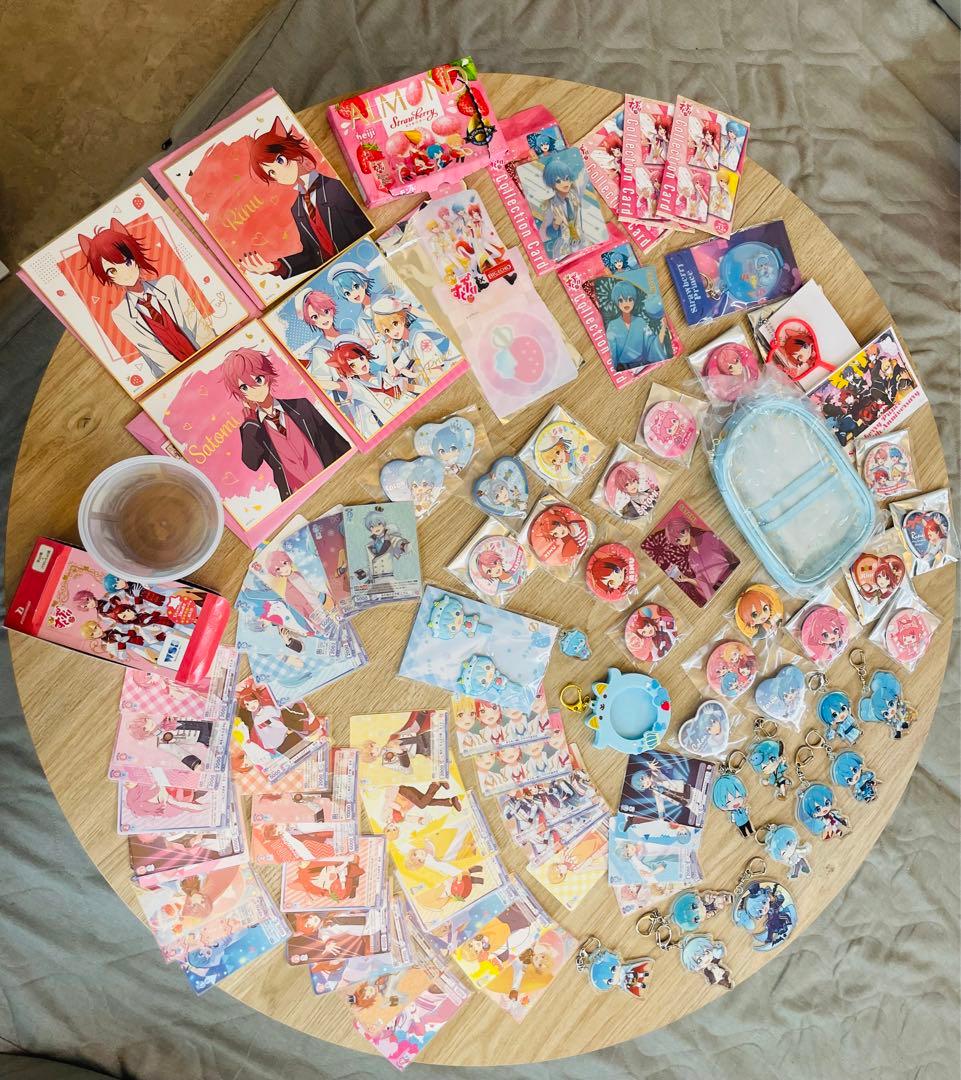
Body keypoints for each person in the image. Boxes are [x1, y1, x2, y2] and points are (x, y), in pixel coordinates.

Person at [79, 218, 215, 379]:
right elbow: (153, 352)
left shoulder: (169, 284)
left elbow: (197, 323)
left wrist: (213, 354)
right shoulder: (121, 314)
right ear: (107, 276)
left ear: (135, 258)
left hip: (208, 353)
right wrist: (187, 376)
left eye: (127, 262)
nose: (125, 274)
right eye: (112, 271)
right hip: (175, 375)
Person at [238, 118, 369, 280]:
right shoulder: (297, 208)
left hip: (361, 263)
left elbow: (363, 229)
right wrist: (274, 267)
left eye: (280, 161)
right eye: (271, 172)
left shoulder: (336, 188)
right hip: (332, 277)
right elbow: (312, 255)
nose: (279, 174)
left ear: (294, 153)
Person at [222, 347, 350, 501]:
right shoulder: (252, 428)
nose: (255, 389)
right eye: (244, 387)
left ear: (267, 376)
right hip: (301, 499)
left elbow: (334, 440)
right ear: (240, 393)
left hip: (334, 480)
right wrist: (250, 422)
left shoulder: (301, 406)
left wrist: (348, 470)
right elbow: (252, 463)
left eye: (258, 380)